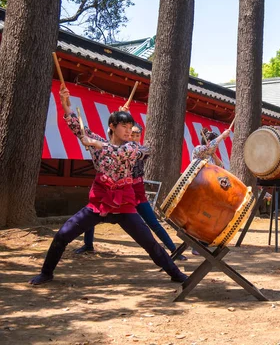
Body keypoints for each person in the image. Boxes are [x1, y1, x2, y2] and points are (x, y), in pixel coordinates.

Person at [29, 87, 187, 285]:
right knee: (62, 235)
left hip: (124, 205)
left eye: (131, 127)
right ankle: (46, 272)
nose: (130, 131)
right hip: (100, 202)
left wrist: (95, 143)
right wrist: (65, 104)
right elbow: (78, 128)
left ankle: (175, 274)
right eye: (125, 126)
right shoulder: (99, 142)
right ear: (112, 126)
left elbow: (116, 152)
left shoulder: (133, 147)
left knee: (149, 242)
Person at [75, 122, 186, 260]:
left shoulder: (142, 150)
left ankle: (174, 250)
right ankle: (88, 244)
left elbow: (124, 152)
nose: (133, 137)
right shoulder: (116, 148)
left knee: (152, 222)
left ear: (140, 136)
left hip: (136, 192)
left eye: (136, 135)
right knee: (92, 213)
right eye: (131, 134)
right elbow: (110, 143)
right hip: (117, 192)